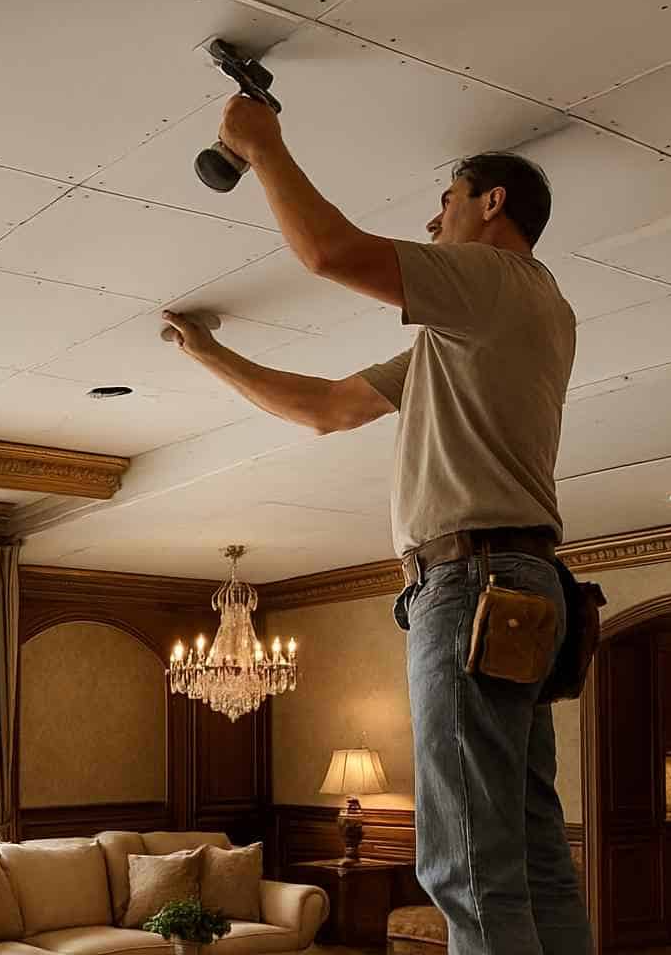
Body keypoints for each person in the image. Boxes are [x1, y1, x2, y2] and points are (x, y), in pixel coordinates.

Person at [161, 96, 589, 955]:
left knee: (465, 857)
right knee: (529, 843)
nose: (434, 219)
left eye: (447, 200)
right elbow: (326, 408)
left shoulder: (496, 282)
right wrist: (213, 357)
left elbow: (330, 252)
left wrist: (262, 142)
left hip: (471, 582)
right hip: (520, 582)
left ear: (491, 204)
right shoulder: (486, 326)